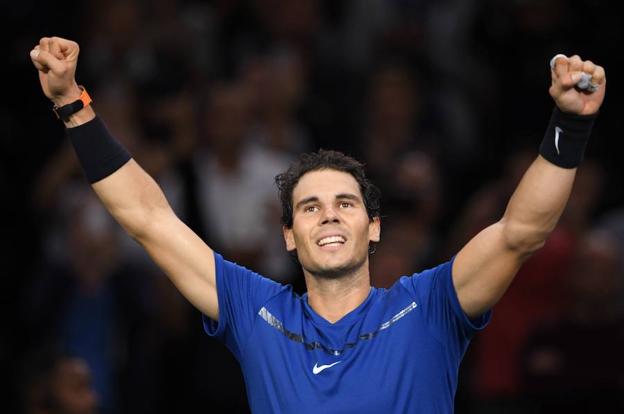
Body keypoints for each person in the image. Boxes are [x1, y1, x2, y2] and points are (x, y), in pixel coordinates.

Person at [30, 36, 606, 413]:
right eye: (309, 207)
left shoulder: (430, 306)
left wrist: (570, 125)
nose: (328, 213)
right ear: (289, 236)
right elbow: (148, 218)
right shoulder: (255, 311)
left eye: (345, 203)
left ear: (373, 227)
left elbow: (520, 231)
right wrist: (72, 106)